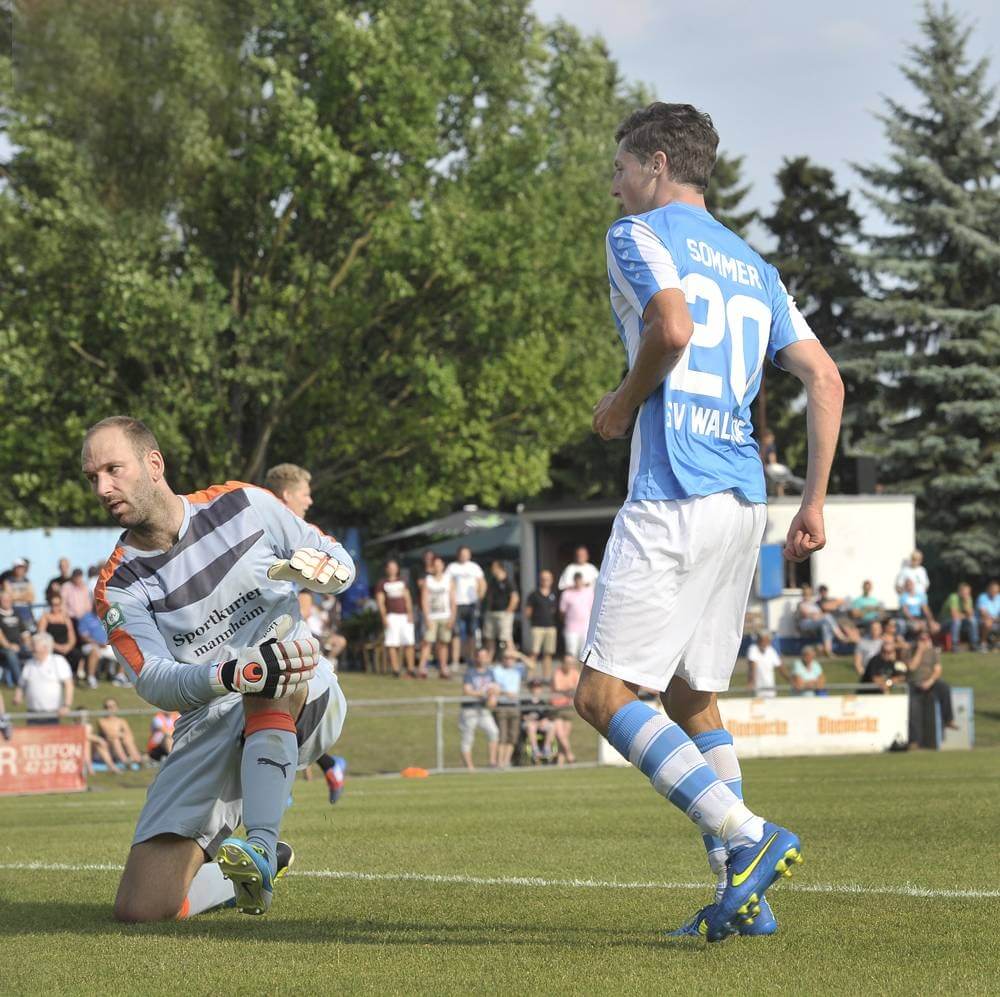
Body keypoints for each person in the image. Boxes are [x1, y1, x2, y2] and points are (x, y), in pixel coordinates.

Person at [576, 102, 839, 942]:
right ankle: (744, 891)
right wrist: (815, 502)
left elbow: (674, 324)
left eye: (621, 168)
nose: (614, 186)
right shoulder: (756, 265)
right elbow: (826, 381)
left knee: (603, 692)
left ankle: (748, 836)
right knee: (694, 696)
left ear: (657, 164)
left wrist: (621, 403)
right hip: (743, 500)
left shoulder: (638, 233)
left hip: (674, 491)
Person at [80, 415, 354, 922]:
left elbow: (339, 563)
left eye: (113, 469)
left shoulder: (244, 504)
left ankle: (263, 847)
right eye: (93, 477)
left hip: (302, 687)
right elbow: (155, 680)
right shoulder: (118, 585)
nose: (103, 487)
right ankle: (232, 883)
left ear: (153, 463)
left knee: (270, 669)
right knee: (142, 909)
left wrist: (317, 572)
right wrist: (226, 675)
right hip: (208, 720)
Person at [265, 461, 349, 800]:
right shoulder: (259, 530)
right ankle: (327, 766)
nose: (310, 500)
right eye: (305, 493)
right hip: (264, 643)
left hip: (284, 644)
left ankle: (275, 790)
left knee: (270, 723)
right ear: (287, 495)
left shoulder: (300, 534)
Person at [906, 631, 957, 745]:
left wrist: (930, 681)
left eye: (926, 639)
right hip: (914, 683)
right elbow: (912, 667)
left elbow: (938, 670)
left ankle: (948, 719)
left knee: (944, 688)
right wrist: (920, 651)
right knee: (913, 707)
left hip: (930, 681)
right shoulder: (910, 651)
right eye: (921, 639)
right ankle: (914, 740)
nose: (924, 642)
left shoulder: (933, 652)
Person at [13, 632, 74, 724]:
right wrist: (18, 696)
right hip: (32, 713)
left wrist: (66, 705)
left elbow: (69, 685)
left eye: (34, 645)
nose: (32, 648)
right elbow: (22, 684)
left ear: (45, 647)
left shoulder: (58, 661)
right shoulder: (29, 664)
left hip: (52, 713)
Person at [445, 547, 486, 667]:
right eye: (462, 554)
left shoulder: (474, 567)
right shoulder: (452, 567)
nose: (464, 556)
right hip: (456, 604)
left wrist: (479, 597)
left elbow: (482, 583)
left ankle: (472, 658)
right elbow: (448, 584)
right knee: (456, 633)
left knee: (471, 633)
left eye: (466, 554)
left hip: (471, 604)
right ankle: (455, 660)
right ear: (458, 555)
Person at [459, 648, 499, 770]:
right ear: (476, 658)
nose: (482, 659)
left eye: (484, 656)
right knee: (468, 737)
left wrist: (493, 696)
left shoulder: (490, 672)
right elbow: (467, 690)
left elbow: (495, 688)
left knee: (494, 732)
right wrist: (482, 694)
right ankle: (470, 767)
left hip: (483, 709)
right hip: (470, 709)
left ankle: (492, 762)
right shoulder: (470, 673)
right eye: (479, 656)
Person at [375, 560, 416, 678]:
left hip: (404, 616)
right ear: (387, 569)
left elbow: (407, 598)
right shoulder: (382, 584)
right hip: (391, 616)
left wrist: (410, 613)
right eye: (390, 567)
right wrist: (384, 617)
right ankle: (396, 669)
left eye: (394, 567)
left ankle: (411, 668)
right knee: (392, 643)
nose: (392, 569)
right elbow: (380, 602)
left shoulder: (402, 582)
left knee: (409, 642)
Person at [419, 556, 455, 679]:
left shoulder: (448, 580)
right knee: (427, 642)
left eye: (440, 564)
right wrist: (426, 617)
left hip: (445, 615)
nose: (438, 567)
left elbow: (452, 600)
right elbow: (424, 600)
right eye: (435, 565)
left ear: (443, 566)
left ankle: (443, 668)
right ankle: (422, 668)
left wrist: (452, 617)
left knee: (443, 643)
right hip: (432, 616)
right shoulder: (428, 580)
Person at [492, 646, 527, 768]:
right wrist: (506, 693)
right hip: (502, 705)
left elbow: (532, 665)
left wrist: (519, 655)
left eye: (511, 658)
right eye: (506, 657)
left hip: (514, 706)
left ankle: (506, 762)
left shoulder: (518, 669)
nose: (509, 660)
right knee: (502, 735)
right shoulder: (497, 670)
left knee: (513, 736)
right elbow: (494, 688)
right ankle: (499, 762)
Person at [36, 592, 80, 683]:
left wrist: (68, 646)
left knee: (76, 653)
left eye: (57, 604)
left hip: (65, 646)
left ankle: (71, 677)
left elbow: (72, 636)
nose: (54, 607)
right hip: (51, 647)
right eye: (52, 604)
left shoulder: (65, 618)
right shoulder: (45, 617)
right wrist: (56, 646)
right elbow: (41, 636)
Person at [525, 570, 559, 680]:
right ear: (540, 580)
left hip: (550, 627)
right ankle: (529, 676)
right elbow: (528, 612)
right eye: (543, 578)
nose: (545, 581)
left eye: (547, 579)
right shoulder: (533, 595)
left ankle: (546, 677)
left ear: (551, 580)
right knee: (534, 652)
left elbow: (555, 610)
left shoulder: (553, 594)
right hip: (537, 627)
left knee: (548, 654)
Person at [482, 561, 519, 659]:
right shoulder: (492, 581)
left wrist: (508, 611)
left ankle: (512, 658)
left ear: (500, 568)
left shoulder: (508, 581)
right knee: (489, 637)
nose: (492, 570)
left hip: (504, 613)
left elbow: (514, 597)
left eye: (494, 567)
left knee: (506, 637)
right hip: (491, 613)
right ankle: (489, 658)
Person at [97, 697, 145, 770]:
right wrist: (121, 734)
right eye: (107, 707)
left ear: (116, 708)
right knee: (115, 740)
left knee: (127, 739)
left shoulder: (121, 721)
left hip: (121, 744)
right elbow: (108, 734)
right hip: (109, 746)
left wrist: (122, 736)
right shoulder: (102, 721)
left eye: (112, 706)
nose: (110, 709)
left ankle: (137, 759)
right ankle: (125, 761)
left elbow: (129, 735)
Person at [795, 583, 841, 656]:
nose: (807, 596)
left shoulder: (814, 604)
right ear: (803, 595)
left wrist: (817, 616)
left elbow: (820, 613)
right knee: (827, 616)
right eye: (805, 594)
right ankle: (839, 635)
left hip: (815, 622)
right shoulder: (801, 604)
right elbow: (805, 614)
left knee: (825, 625)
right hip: (805, 624)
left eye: (809, 594)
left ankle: (828, 650)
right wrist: (814, 615)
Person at [550, 655, 580, 765]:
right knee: (560, 735)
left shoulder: (575, 673)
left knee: (564, 737)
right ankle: (570, 755)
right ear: (562, 663)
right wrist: (570, 690)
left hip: (568, 707)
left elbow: (578, 687)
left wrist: (570, 691)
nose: (570, 665)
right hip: (557, 707)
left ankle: (560, 762)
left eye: (572, 663)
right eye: (567, 662)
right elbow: (558, 689)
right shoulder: (557, 673)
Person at [559, 572, 595, 660]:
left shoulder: (589, 592)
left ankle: (579, 673)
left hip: (586, 628)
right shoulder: (566, 593)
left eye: (580, 580)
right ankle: (572, 673)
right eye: (576, 580)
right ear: (574, 581)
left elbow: (592, 609)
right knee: (571, 653)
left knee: (583, 655)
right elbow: (562, 611)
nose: (578, 582)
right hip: (571, 628)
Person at [0, 590, 30, 688]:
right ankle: (21, 682)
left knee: (34, 651)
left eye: (8, 600)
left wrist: (28, 644)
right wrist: (9, 646)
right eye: (4, 600)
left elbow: (25, 632)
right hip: (4, 648)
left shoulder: (16, 613)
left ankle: (37, 679)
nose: (7, 602)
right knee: (11, 654)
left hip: (19, 645)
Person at [520, 677, 554, 764]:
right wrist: (531, 720)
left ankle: (546, 748)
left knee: (551, 726)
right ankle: (535, 750)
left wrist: (542, 721)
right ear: (530, 688)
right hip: (528, 725)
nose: (536, 689)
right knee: (531, 726)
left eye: (538, 687)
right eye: (534, 687)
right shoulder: (525, 702)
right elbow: (523, 716)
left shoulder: (543, 702)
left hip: (540, 724)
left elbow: (546, 716)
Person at [941, 583, 980, 652]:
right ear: (960, 591)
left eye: (968, 592)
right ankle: (954, 644)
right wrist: (965, 615)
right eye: (965, 592)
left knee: (973, 620)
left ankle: (974, 643)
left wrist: (966, 603)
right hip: (945, 622)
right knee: (957, 621)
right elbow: (954, 615)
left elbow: (971, 615)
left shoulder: (968, 599)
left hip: (960, 622)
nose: (967, 594)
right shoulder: (953, 597)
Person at [746, 632, 783, 698]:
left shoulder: (771, 650)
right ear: (758, 641)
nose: (764, 643)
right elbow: (752, 666)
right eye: (762, 641)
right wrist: (751, 681)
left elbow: (780, 667)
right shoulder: (753, 649)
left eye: (767, 641)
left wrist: (790, 680)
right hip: (757, 688)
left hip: (770, 688)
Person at [7, 559, 36, 628]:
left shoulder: (27, 581)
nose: (20, 570)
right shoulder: (8, 581)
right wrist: (24, 595)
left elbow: (31, 598)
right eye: (18, 567)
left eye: (22, 568)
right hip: (13, 612)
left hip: (26, 613)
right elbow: (8, 598)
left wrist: (16, 596)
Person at [976, 580, 1000, 649]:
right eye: (992, 590)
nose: (994, 592)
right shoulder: (982, 597)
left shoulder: (999, 597)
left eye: (996, 591)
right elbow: (983, 613)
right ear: (988, 589)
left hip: (996, 620)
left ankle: (997, 642)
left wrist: (996, 619)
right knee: (988, 623)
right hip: (983, 620)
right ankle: (983, 643)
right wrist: (993, 619)